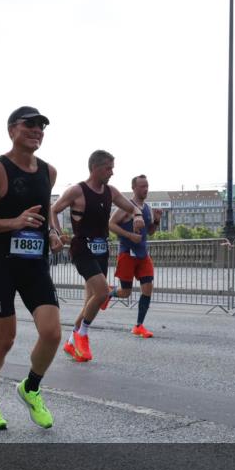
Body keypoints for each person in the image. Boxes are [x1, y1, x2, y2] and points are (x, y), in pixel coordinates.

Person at [0, 106, 63, 431]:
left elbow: (44, 212)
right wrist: (15, 222)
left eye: (41, 126)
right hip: (1, 265)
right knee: (5, 340)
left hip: (35, 264)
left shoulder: (49, 172)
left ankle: (31, 388)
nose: (37, 130)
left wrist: (50, 233)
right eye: (30, 125)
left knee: (51, 333)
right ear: (12, 130)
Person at [52, 150, 144, 362]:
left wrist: (138, 216)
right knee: (102, 292)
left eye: (112, 168)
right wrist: (56, 233)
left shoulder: (110, 191)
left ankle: (70, 342)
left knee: (91, 302)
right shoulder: (77, 190)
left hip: (102, 250)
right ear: (95, 168)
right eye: (108, 168)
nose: (112, 172)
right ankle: (81, 334)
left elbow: (131, 207)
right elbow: (53, 210)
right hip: (81, 248)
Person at [109, 174, 161, 337]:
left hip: (143, 254)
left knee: (148, 288)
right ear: (134, 188)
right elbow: (110, 224)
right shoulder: (127, 206)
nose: (145, 189)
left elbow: (150, 232)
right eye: (142, 186)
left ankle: (139, 325)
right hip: (127, 254)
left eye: (147, 186)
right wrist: (129, 235)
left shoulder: (147, 209)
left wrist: (157, 221)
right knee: (126, 292)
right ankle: (108, 292)